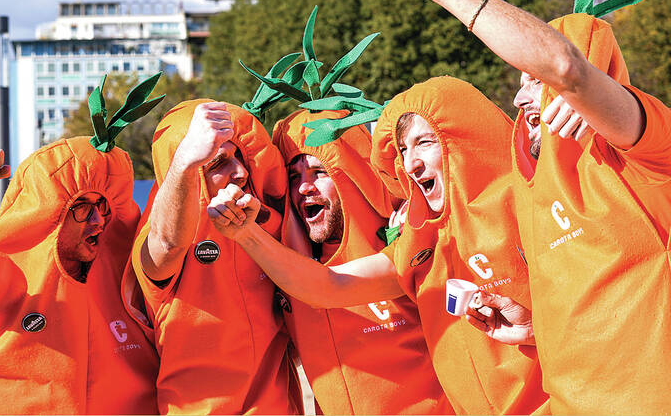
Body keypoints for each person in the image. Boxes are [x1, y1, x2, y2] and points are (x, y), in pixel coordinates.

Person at [367, 0, 671, 413]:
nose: (517, 96)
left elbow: (564, 66)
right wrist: (534, 329)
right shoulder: (533, 187)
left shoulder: (646, 151)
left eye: (533, 80)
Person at [209, 78, 548, 414]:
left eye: (425, 143)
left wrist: (535, 330)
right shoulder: (416, 249)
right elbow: (328, 286)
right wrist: (246, 233)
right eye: (403, 150)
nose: (411, 164)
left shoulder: (530, 212)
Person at [0, 133, 160, 413]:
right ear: (47, 213)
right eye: (81, 207)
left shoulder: (130, 272)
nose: (97, 219)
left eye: (101, 205)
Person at [270, 109, 451, 414]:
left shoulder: (405, 242)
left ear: (351, 174)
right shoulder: (287, 272)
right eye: (294, 176)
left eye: (319, 172)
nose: (304, 187)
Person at [126, 99, 300, 414]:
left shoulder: (268, 221)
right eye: (219, 164)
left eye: (239, 157)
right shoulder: (157, 237)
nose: (241, 171)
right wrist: (185, 163)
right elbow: (166, 245)